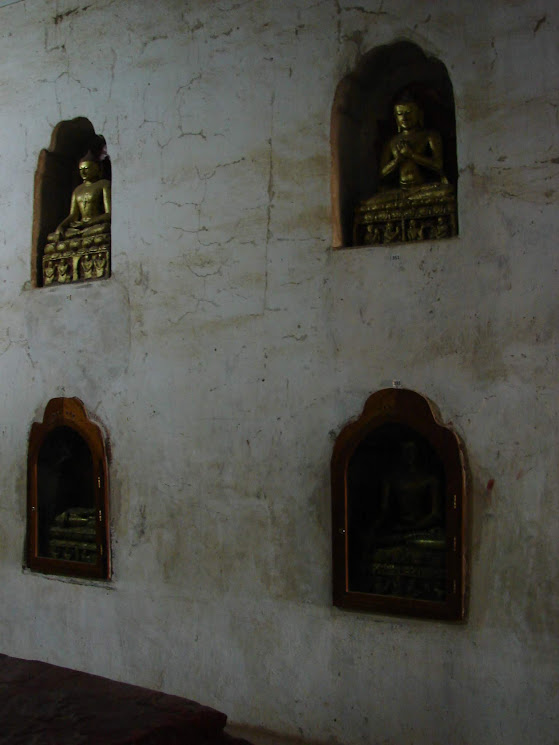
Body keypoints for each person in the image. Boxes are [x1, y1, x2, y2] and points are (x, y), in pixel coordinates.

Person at [46, 153, 111, 251]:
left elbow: (109, 214)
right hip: (79, 228)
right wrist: (61, 226)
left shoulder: (104, 184)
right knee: (52, 237)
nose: (83, 173)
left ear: (97, 169)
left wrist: (88, 223)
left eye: (87, 169)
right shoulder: (77, 190)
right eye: (81, 170)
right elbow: (73, 215)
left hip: (93, 227)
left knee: (104, 229)